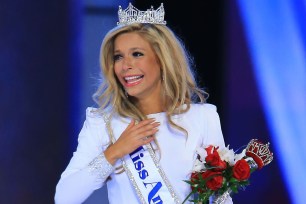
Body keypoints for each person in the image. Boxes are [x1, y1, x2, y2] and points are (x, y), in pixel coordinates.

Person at [55, 3, 233, 204]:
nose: (125, 65)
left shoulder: (202, 118)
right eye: (118, 57)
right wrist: (115, 151)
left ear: (162, 60)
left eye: (137, 54)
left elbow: (221, 198)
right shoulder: (102, 124)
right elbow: (64, 197)